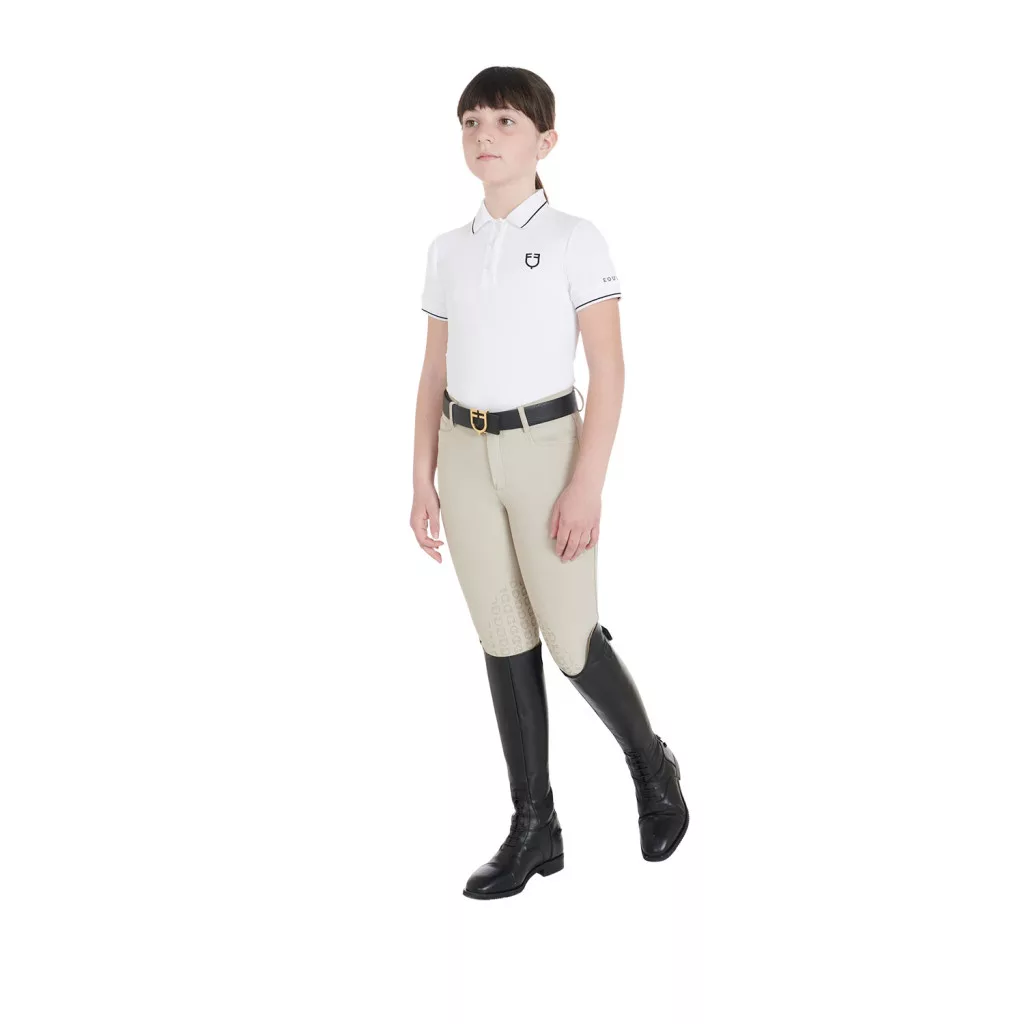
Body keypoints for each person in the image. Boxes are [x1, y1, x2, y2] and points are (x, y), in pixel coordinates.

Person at [410, 66, 688, 900]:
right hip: (465, 453)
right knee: (501, 635)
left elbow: (610, 368)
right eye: (471, 121)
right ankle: (536, 827)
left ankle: (652, 766)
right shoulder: (448, 250)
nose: (483, 135)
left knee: (570, 638)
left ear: (545, 140)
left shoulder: (574, 238)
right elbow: (433, 371)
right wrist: (421, 477)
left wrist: (586, 484)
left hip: (547, 450)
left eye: (503, 120)